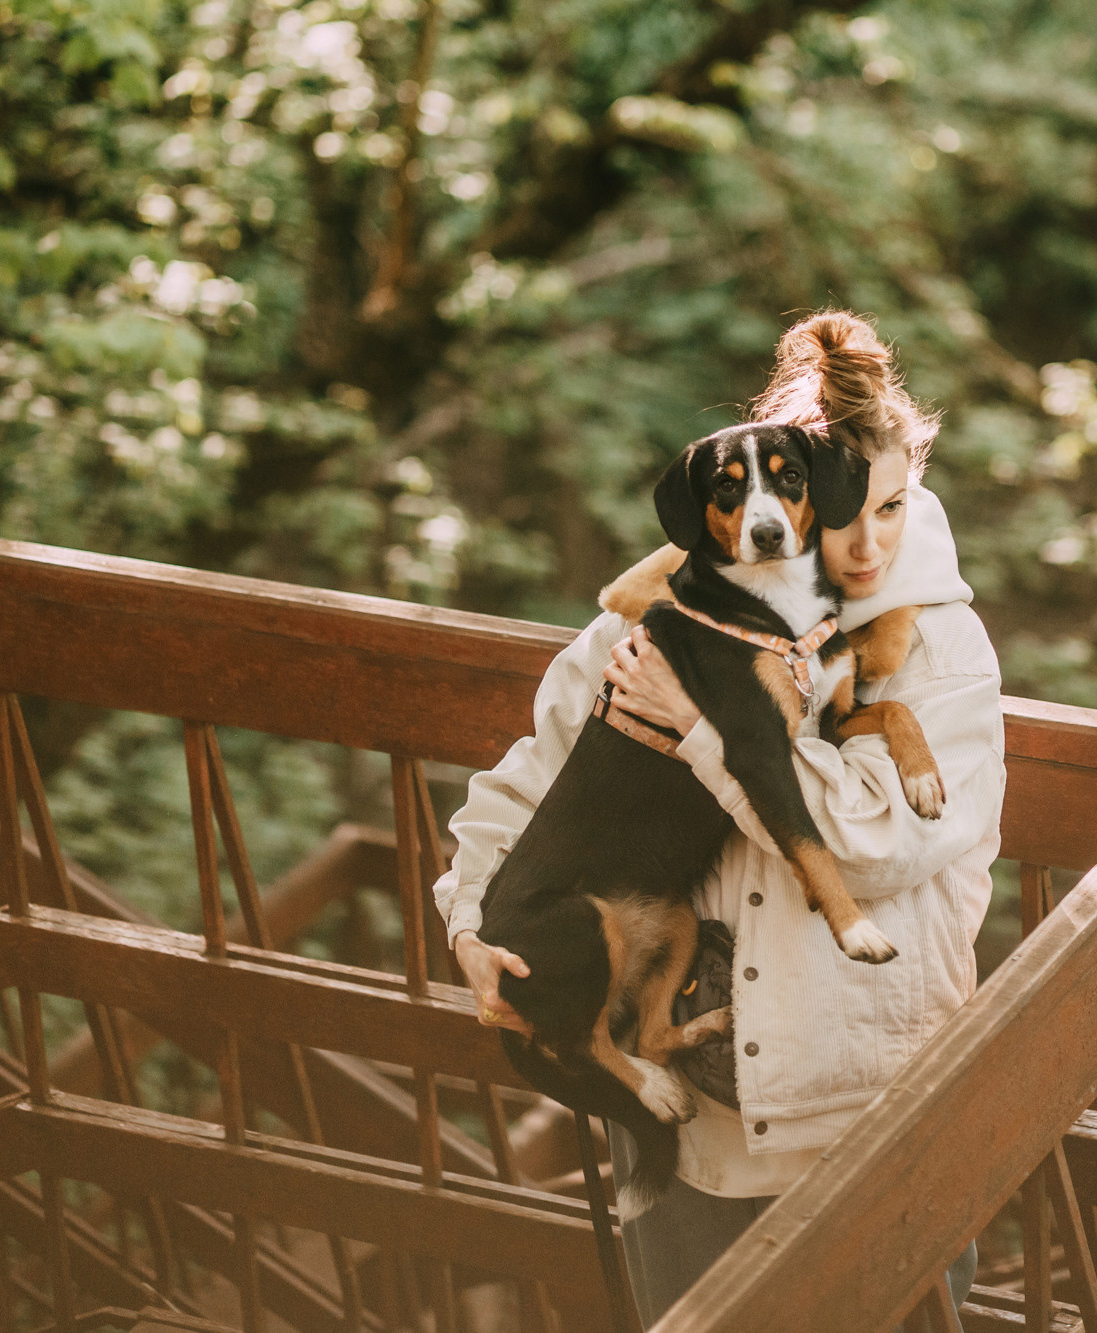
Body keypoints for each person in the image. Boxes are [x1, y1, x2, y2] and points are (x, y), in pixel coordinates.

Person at [431, 311, 1004, 1327]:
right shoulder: (668, 613)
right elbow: (528, 783)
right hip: (692, 1113)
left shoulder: (938, 649)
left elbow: (877, 846)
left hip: (864, 1116)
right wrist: (472, 922)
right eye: (841, 510)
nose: (865, 543)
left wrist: (703, 731)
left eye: (891, 506)